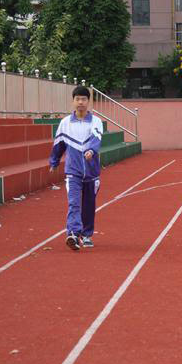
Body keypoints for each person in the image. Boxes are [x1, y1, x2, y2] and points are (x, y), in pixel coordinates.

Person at [49, 85, 104, 251]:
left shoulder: (96, 122)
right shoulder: (65, 123)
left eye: (84, 99)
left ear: (88, 102)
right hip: (73, 171)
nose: (80, 102)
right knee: (74, 203)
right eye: (77, 99)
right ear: (73, 102)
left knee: (88, 204)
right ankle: (72, 234)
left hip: (92, 172)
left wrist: (91, 150)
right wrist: (54, 161)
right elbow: (58, 145)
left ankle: (86, 234)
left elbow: (96, 139)